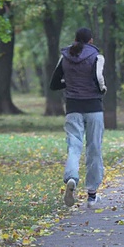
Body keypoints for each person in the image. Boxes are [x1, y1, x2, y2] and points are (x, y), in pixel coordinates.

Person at [50, 27, 107, 209]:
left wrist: (70, 83)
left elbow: (54, 83)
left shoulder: (65, 56)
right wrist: (102, 89)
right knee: (94, 148)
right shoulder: (97, 56)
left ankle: (71, 178)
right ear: (91, 40)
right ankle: (92, 195)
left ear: (75, 39)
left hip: (73, 108)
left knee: (74, 147)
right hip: (93, 108)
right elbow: (99, 79)